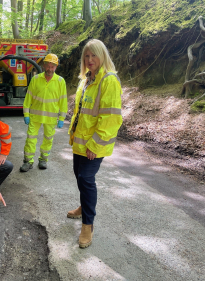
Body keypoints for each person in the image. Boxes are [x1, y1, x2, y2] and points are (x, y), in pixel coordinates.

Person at [67, 39, 122, 248]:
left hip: (93, 145)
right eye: (86, 56)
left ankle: (87, 225)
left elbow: (111, 118)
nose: (89, 60)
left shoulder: (109, 80)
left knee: (86, 179)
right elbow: (81, 112)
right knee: (79, 177)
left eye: (94, 55)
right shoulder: (86, 80)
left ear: (103, 56)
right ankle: (83, 206)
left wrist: (95, 145)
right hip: (80, 142)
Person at [20, 53, 68, 172]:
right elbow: (28, 99)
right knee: (30, 139)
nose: (50, 69)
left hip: (50, 118)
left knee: (48, 139)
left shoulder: (60, 81)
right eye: (48, 65)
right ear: (43, 65)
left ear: (56, 67)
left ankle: (43, 160)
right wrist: (26, 114)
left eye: (53, 66)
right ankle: (28, 161)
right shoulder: (35, 79)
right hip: (35, 116)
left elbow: (63, 101)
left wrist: (62, 118)